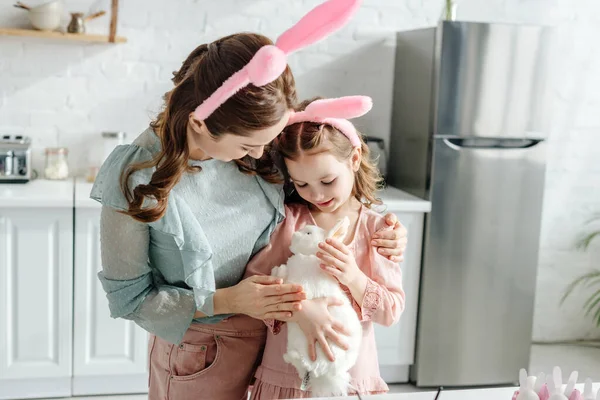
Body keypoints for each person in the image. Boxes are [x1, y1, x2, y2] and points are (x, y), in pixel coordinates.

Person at [91, 2, 407, 400]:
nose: (261, 156)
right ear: (200, 123)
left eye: (267, 142)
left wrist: (384, 231)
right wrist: (227, 299)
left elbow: (319, 197)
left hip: (279, 356)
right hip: (204, 355)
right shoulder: (136, 178)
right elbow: (130, 299)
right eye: (248, 145)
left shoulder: (257, 143)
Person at [246, 96, 405, 399]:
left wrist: (352, 276)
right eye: (302, 184)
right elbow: (256, 290)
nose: (316, 194)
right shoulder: (287, 222)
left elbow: (390, 312)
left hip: (350, 380)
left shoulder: (378, 231)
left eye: (328, 180)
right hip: (288, 380)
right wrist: (300, 309)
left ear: (355, 159)